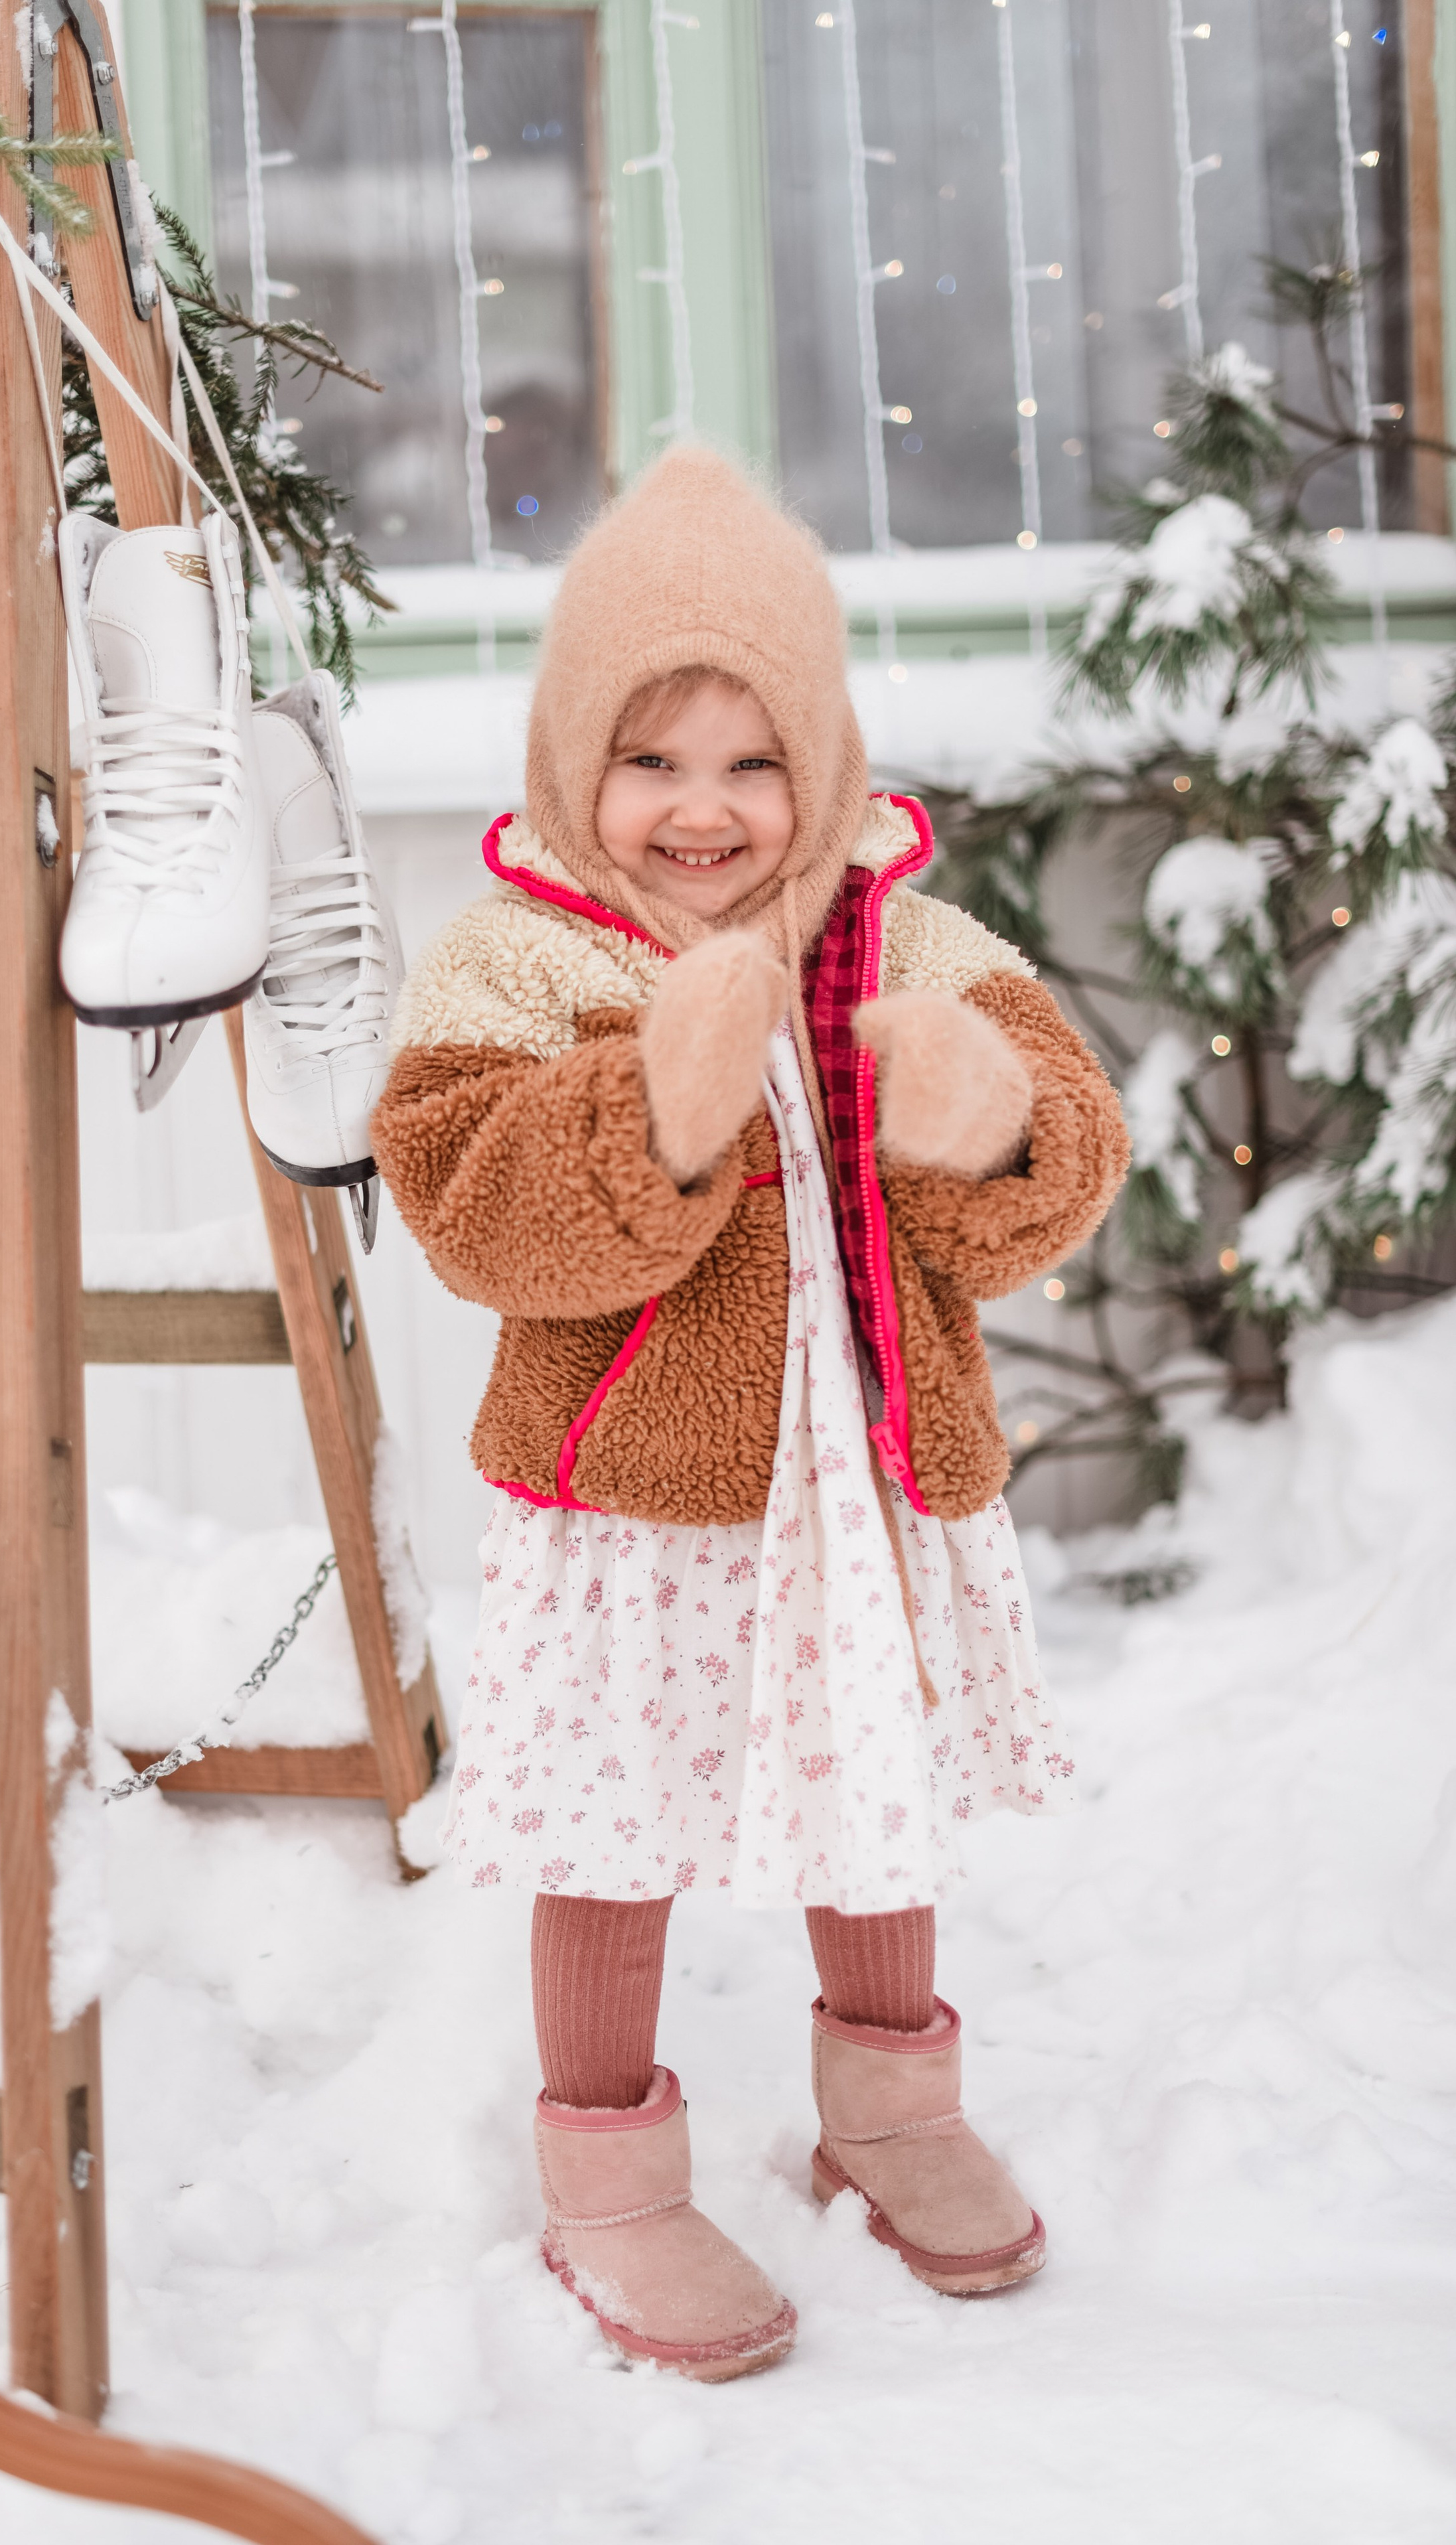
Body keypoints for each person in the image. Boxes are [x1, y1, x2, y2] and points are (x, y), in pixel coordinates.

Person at [372, 449, 1129, 2382]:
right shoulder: (525, 956)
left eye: (750, 759)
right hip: (637, 1502)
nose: (703, 812)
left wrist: (991, 1121)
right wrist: (655, 1104)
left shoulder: (911, 938)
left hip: (860, 1473)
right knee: (615, 1820)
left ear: (824, 758)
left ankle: (891, 2110)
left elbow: (1061, 1156)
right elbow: (473, 1209)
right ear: (570, 768)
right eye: (651, 761)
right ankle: (608, 2169)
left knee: (870, 1787)